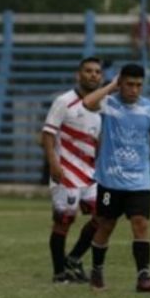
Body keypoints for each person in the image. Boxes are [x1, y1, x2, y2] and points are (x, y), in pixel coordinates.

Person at [82, 63, 150, 292]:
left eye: (139, 85)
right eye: (129, 84)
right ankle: (97, 271)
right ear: (121, 83)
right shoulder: (109, 104)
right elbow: (87, 103)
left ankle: (144, 277)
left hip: (140, 181)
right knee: (106, 225)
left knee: (141, 224)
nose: (134, 90)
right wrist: (111, 85)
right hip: (110, 182)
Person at [40, 57, 103, 284]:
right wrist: (54, 164)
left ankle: (74, 258)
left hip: (91, 174)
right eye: (88, 71)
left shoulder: (101, 106)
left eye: (97, 72)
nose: (93, 75)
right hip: (65, 173)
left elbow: (98, 140)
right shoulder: (64, 101)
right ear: (79, 75)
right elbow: (47, 134)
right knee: (64, 221)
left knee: (103, 216)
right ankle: (59, 274)